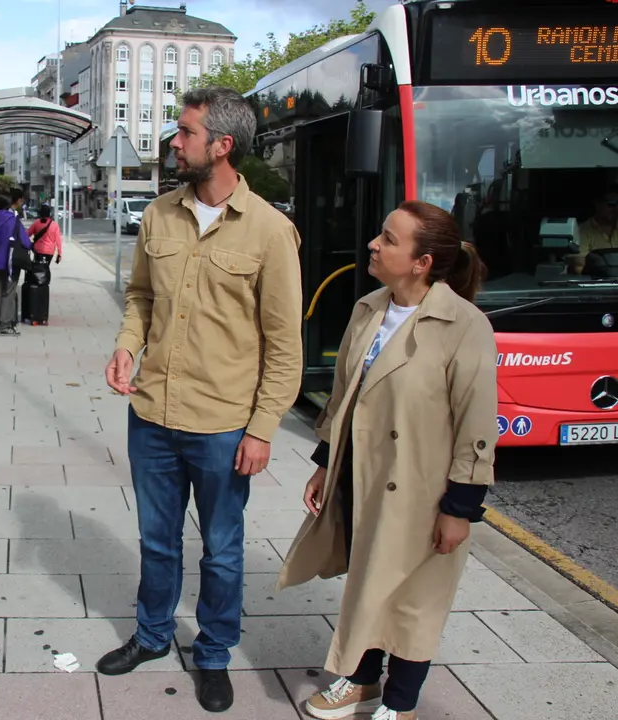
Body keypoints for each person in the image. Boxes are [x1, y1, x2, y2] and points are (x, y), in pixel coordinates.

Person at [99, 86, 304, 713]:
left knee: (222, 547)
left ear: (222, 145)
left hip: (222, 425)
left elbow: (284, 343)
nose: (173, 143)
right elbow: (140, 297)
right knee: (157, 540)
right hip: (152, 415)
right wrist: (127, 345)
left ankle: (213, 654)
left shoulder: (271, 231)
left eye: (184, 133)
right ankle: (155, 634)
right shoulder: (160, 215)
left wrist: (263, 429)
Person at [276, 201, 498, 720]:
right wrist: (326, 462)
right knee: (367, 581)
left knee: (414, 600)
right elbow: (344, 397)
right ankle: (361, 681)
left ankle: (400, 706)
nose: (374, 244)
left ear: (422, 262)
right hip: (362, 479)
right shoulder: (369, 307)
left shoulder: (464, 324)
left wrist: (461, 508)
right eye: (381, 234)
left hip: (423, 492)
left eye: (389, 239)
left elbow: (477, 425)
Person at [0, 192, 31, 335]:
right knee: (8, 293)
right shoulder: (13, 221)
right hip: (10, 262)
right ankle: (5, 325)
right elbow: (25, 241)